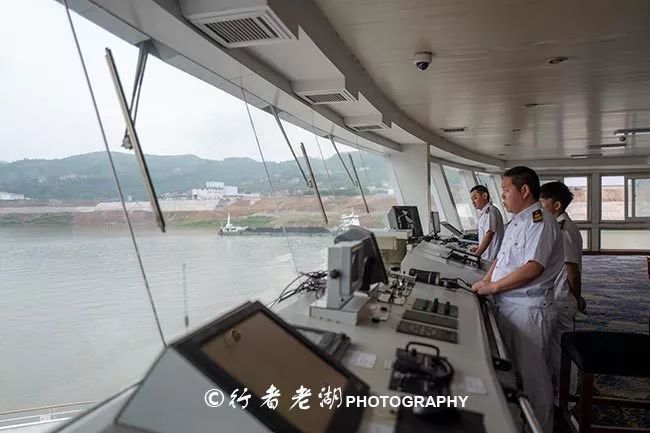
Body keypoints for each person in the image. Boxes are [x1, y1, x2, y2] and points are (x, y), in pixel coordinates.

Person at [471, 166, 563, 433]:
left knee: (535, 381)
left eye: (506, 190)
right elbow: (500, 260)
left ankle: (541, 428)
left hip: (529, 310)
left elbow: (533, 267)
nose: (502, 196)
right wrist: (487, 283)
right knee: (514, 376)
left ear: (524, 190)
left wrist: (493, 287)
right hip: (508, 306)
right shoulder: (516, 223)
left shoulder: (540, 222)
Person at [539, 181, 586, 400]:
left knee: (562, 350)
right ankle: (562, 390)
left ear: (556, 205)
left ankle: (569, 395)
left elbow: (572, 272)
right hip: (556, 296)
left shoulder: (565, 231)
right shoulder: (555, 227)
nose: (539, 205)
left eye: (542, 201)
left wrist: (577, 298)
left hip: (563, 298)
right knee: (555, 348)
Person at [469, 185, 504, 261]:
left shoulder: (490, 212)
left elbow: (489, 235)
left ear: (484, 196)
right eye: (472, 199)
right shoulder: (485, 213)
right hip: (488, 257)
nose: (473, 202)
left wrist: (476, 255)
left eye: (475, 198)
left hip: (491, 259)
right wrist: (479, 247)